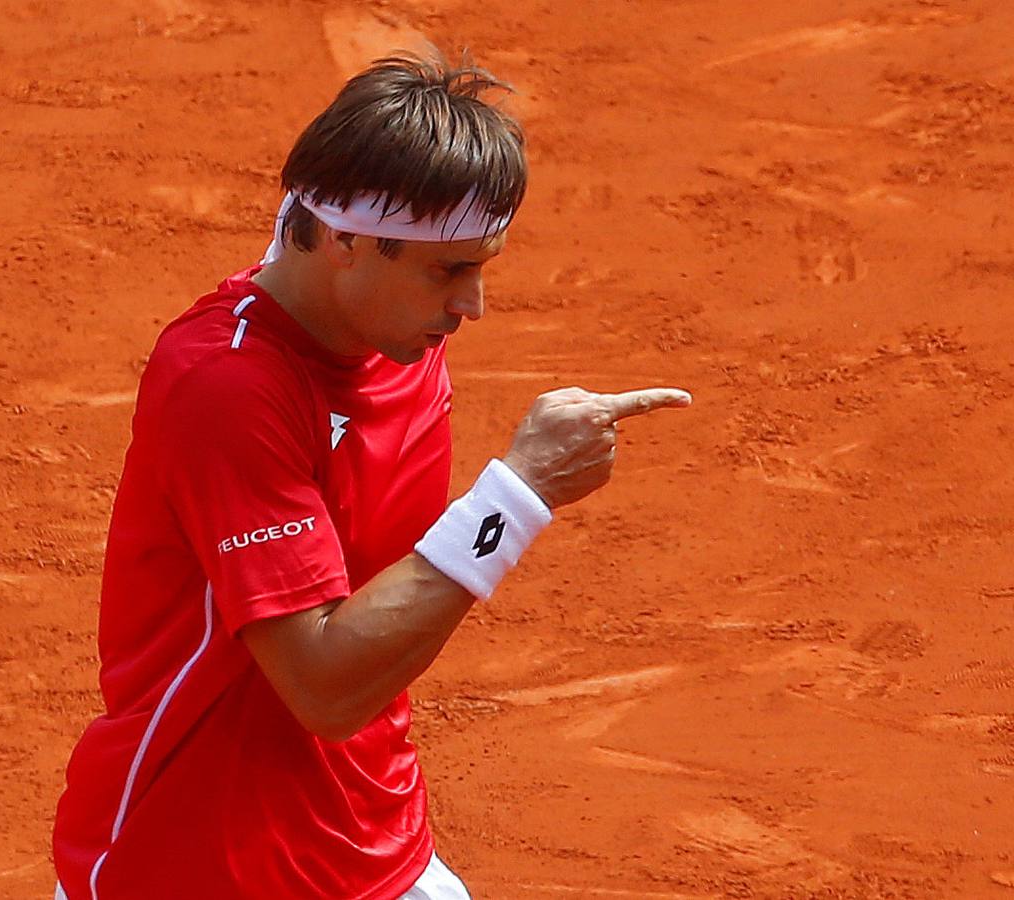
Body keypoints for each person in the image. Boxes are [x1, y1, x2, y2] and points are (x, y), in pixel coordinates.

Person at [51, 52, 691, 899]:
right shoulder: (227, 390)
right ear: (346, 241)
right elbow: (323, 685)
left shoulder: (392, 328)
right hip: (201, 861)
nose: (472, 307)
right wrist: (518, 495)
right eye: (447, 271)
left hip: (374, 844)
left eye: (480, 266)